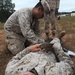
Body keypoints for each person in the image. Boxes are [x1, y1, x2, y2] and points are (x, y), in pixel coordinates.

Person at [5, 38, 74, 75]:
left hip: (35, 49)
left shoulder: (11, 71)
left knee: (43, 40)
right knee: (56, 41)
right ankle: (59, 39)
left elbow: (15, 58)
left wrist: (28, 49)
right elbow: (68, 63)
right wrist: (57, 48)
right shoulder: (54, 72)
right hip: (50, 51)